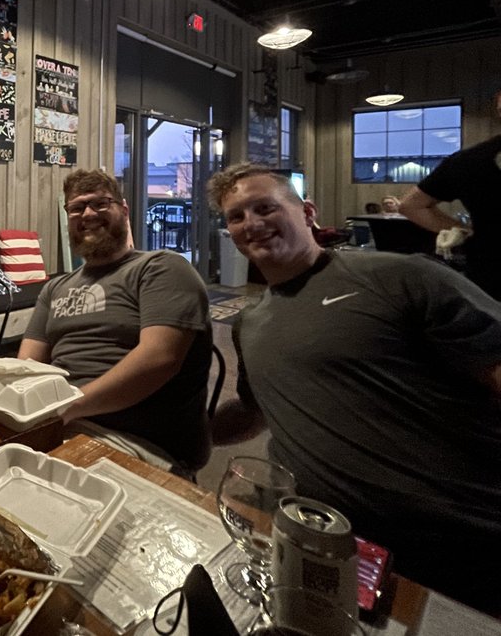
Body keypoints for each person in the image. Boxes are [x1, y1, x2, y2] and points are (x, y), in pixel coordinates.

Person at [209, 164, 501, 613]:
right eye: (236, 216)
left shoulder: (399, 277)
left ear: (308, 213)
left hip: (459, 547)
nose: (251, 223)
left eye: (265, 207)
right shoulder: (250, 323)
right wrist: (179, 428)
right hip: (323, 547)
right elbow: (254, 412)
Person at [17, 170, 212, 475]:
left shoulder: (160, 267)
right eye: (77, 207)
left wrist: (65, 408)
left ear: (124, 210)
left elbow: (159, 359)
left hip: (134, 442)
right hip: (59, 424)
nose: (88, 214)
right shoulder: (55, 288)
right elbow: (27, 366)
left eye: (100, 204)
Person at [400, 132, 501, 299]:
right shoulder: (470, 160)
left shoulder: (468, 160)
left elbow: (411, 206)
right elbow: (410, 206)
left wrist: (467, 231)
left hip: (489, 287)